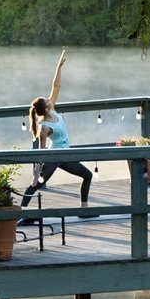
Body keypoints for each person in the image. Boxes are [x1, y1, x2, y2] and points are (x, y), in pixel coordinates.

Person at [22, 48, 94, 221]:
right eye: (47, 100)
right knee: (36, 184)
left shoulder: (52, 109)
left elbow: (56, 86)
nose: (50, 99)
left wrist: (59, 66)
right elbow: (41, 152)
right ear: (45, 108)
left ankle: (84, 210)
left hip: (66, 154)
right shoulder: (44, 127)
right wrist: (35, 173)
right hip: (54, 156)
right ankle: (21, 213)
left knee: (87, 175)